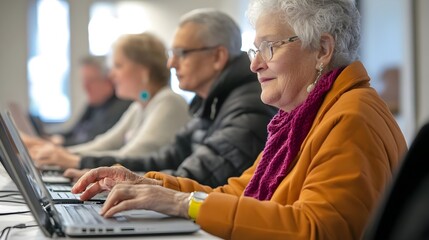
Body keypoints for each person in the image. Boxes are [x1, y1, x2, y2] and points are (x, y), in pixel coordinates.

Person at [71, 1, 408, 239]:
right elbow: (238, 192)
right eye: (254, 49)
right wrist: (149, 184)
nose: (255, 64)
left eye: (270, 47)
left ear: (322, 49)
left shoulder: (352, 117)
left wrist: (180, 203)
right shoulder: (301, 119)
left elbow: (317, 229)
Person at [63, 9, 275, 187]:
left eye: (181, 53)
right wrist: (99, 169)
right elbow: (167, 157)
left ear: (217, 57)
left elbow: (198, 177)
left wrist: (129, 181)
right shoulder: (211, 102)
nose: (171, 63)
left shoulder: (248, 104)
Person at [28, 33, 191, 169]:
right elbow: (104, 143)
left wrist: (71, 159)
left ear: (143, 71)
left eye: (118, 66)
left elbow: (132, 156)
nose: (111, 75)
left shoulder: (169, 102)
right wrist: (57, 154)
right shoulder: (141, 104)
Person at [53, 55, 132, 146]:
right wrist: (49, 139)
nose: (85, 87)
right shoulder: (93, 104)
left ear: (108, 81)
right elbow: (72, 132)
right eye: (84, 81)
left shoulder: (121, 107)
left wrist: (61, 144)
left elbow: (97, 144)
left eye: (91, 81)